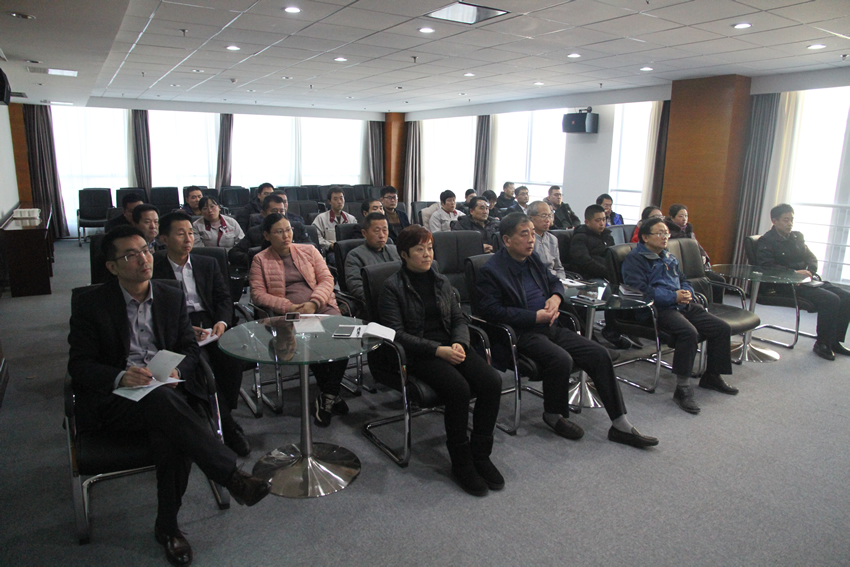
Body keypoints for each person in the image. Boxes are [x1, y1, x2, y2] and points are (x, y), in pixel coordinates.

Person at [68, 226, 270, 566]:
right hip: (117, 401)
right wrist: (120, 375)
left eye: (145, 250)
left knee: (170, 434)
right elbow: (79, 365)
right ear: (112, 267)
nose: (143, 259)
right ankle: (230, 476)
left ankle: (168, 527)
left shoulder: (169, 294)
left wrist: (178, 369)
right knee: (161, 404)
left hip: (169, 396)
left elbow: (189, 349)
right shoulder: (91, 304)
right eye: (130, 255)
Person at [476, 213, 658, 448]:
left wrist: (555, 298)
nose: (531, 239)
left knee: (599, 353)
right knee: (561, 359)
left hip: (550, 325)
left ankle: (620, 424)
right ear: (507, 240)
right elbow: (491, 312)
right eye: (524, 234)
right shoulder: (491, 270)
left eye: (532, 233)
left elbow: (554, 282)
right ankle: (554, 414)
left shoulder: (532, 259)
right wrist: (534, 316)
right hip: (520, 334)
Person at [379, 225, 505, 496]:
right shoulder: (392, 287)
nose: (427, 254)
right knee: (458, 389)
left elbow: (459, 318)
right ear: (404, 254)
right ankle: (461, 461)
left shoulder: (441, 281)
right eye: (419, 249)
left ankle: (480, 454)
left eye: (430, 248)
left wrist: (460, 342)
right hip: (419, 353)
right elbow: (396, 334)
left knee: (492, 382)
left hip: (451, 345)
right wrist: (438, 350)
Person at [154, 212, 251, 456]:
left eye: (190, 232)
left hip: (209, 322)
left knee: (231, 360)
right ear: (164, 238)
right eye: (180, 233)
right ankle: (227, 425)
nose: (188, 238)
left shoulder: (207, 263)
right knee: (200, 366)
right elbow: (155, 311)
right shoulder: (154, 268)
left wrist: (221, 322)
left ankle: (220, 409)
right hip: (178, 326)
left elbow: (223, 298)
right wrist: (184, 328)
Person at [622, 218, 738, 414]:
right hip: (657, 309)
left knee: (721, 327)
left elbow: (683, 279)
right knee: (688, 332)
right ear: (645, 237)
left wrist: (686, 293)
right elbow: (639, 291)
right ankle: (682, 388)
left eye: (666, 233)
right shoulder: (635, 259)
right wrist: (673, 296)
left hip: (681, 304)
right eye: (660, 233)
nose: (665, 237)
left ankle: (712, 376)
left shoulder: (668, 256)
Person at [250, 213, 348, 426]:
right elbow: (258, 294)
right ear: (267, 235)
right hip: (291, 315)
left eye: (288, 230)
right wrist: (289, 307)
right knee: (312, 341)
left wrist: (314, 303)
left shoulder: (309, 250)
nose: (286, 235)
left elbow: (327, 279)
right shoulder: (260, 260)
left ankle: (328, 394)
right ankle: (330, 395)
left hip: (321, 306)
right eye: (279, 231)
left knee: (344, 339)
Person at [756, 203, 850, 360]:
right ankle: (822, 344)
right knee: (831, 299)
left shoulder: (796, 237)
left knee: (846, 297)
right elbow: (767, 267)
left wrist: (810, 272)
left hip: (805, 281)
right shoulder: (766, 241)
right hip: (783, 285)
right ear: (774, 221)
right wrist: (794, 274)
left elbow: (811, 257)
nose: (790, 224)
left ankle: (834, 341)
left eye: (792, 219)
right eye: (786, 220)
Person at [569, 204, 632, 349]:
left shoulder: (607, 237)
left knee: (627, 290)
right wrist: (607, 272)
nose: (602, 223)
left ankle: (617, 328)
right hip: (588, 278)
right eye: (598, 220)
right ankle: (605, 333)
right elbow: (584, 261)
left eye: (603, 219)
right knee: (609, 291)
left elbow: (613, 258)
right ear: (587, 222)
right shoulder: (580, 238)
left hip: (608, 276)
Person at [228, 193, 310, 269]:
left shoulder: (297, 227)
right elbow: (234, 253)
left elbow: (310, 247)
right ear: (263, 213)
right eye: (274, 211)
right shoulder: (255, 232)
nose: (279, 214)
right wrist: (259, 259)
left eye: (282, 211)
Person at [665, 203, 725, 303]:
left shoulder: (689, 232)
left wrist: (703, 256)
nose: (684, 219)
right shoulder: (668, 233)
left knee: (719, 280)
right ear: (672, 217)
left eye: (686, 216)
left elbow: (698, 247)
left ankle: (716, 306)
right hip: (681, 268)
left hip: (695, 267)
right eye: (681, 216)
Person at [345, 212, 400, 303]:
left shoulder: (395, 250)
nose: (382, 235)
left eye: (385, 230)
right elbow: (356, 287)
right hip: (377, 302)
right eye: (376, 231)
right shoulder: (355, 256)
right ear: (364, 233)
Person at [312, 187, 357, 254]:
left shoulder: (351, 219)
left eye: (341, 198)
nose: (339, 201)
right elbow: (316, 237)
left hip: (349, 251)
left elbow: (356, 237)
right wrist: (330, 245)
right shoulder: (321, 218)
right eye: (335, 199)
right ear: (329, 201)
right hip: (331, 251)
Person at [527, 200, 565, 279]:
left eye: (549, 216)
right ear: (531, 218)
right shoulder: (526, 240)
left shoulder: (553, 239)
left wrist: (561, 281)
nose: (548, 220)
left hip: (553, 279)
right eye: (543, 216)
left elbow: (559, 268)